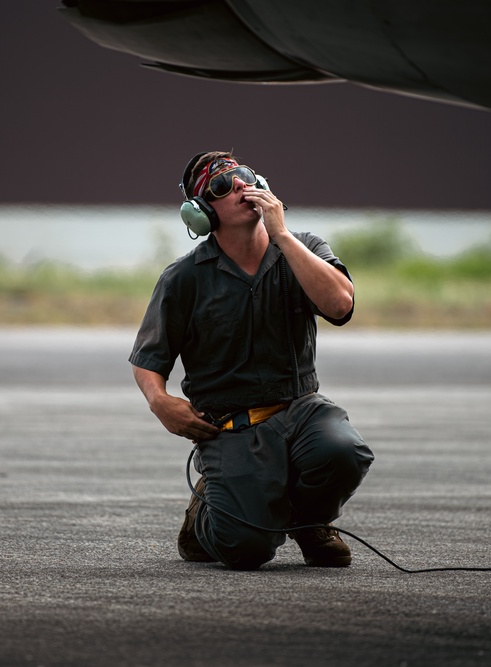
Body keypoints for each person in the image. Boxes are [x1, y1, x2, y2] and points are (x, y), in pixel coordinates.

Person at [129, 151, 374, 570]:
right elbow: (149, 357)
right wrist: (159, 402)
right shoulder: (184, 278)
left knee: (344, 452)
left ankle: (309, 522)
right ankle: (205, 515)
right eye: (222, 186)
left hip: (301, 411)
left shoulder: (305, 247)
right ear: (203, 213)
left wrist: (281, 235)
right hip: (230, 426)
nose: (239, 186)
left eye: (243, 176)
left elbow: (340, 305)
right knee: (244, 551)